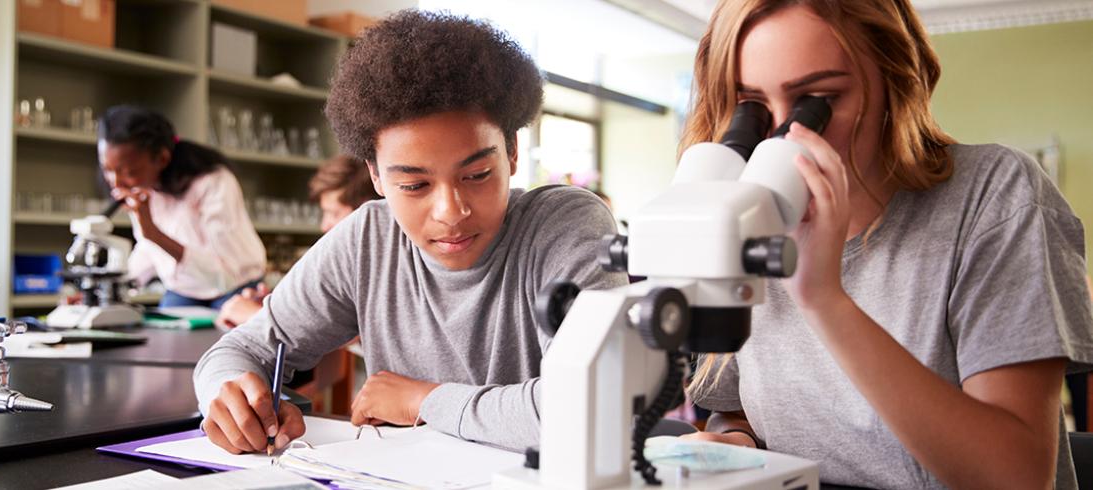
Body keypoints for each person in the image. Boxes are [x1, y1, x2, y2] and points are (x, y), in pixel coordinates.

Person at [682, 1, 1093, 489]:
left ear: (895, 85)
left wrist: (824, 299)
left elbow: (1016, 477)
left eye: (816, 99)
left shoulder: (995, 197)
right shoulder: (748, 216)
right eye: (749, 105)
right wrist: (739, 444)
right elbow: (738, 414)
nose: (777, 136)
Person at [192, 10, 628, 455]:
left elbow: (592, 407)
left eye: (477, 174)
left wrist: (425, 399)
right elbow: (239, 351)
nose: (451, 211)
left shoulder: (566, 224)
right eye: (414, 185)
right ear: (377, 178)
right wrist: (230, 396)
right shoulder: (368, 239)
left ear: (512, 152)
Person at [98, 106, 266, 310]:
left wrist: (153, 233)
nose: (116, 183)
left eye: (128, 171)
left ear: (162, 159)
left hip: (235, 286)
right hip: (184, 289)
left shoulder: (213, 182)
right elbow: (148, 251)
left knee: (225, 339)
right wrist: (103, 292)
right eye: (108, 170)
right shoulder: (143, 188)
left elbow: (223, 277)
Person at [215, 155, 381, 330]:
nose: (324, 225)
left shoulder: (379, 266)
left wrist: (257, 316)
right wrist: (280, 307)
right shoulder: (348, 264)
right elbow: (324, 314)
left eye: (333, 213)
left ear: (366, 211)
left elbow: (344, 331)